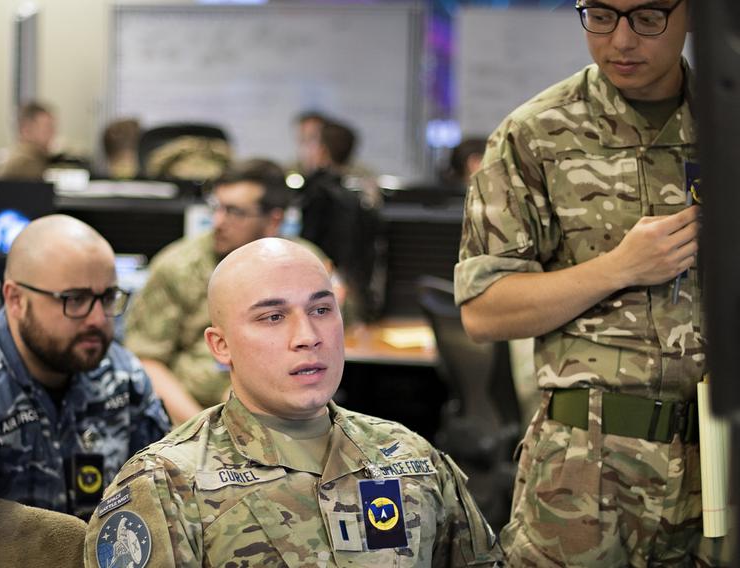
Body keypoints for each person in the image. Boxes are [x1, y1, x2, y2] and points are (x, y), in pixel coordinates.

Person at [456, 0, 729, 565]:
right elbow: (484, 311)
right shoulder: (534, 135)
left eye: (648, 17)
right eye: (600, 15)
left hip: (722, 457)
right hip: (588, 468)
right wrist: (620, 267)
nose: (621, 40)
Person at [84, 238, 502, 567]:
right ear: (220, 345)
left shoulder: (410, 457)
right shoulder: (168, 485)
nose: (308, 335)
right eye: (273, 316)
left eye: (321, 309)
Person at [125, 158, 330, 426]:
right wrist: (202, 431)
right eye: (216, 208)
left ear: (273, 220)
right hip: (197, 418)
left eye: (235, 212)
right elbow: (146, 361)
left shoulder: (304, 264)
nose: (218, 222)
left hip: (289, 417)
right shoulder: (179, 266)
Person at [0, 215, 170, 518]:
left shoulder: (122, 377)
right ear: (16, 300)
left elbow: (161, 496)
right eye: (75, 299)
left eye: (107, 297)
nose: (98, 319)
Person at [300, 120, 383, 322]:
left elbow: (307, 242)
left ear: (322, 151)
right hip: (358, 285)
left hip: (323, 281)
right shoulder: (364, 191)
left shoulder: (317, 191)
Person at [0, 100, 56, 180]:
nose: (53, 134)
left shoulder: (31, 157)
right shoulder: (27, 165)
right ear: (26, 130)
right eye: (47, 128)